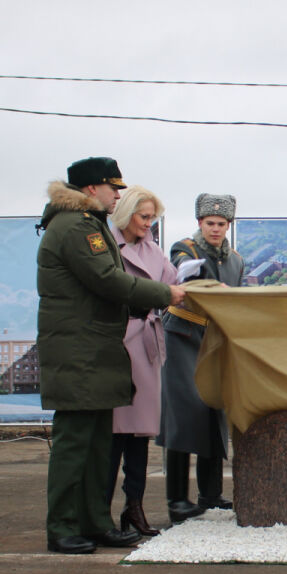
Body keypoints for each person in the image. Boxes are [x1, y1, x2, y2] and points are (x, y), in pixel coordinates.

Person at [36, 157, 188, 555]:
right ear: (91, 190)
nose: (117, 195)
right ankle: (63, 526)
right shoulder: (74, 227)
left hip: (96, 349)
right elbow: (106, 279)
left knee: (98, 445)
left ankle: (95, 522)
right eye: (112, 187)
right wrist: (163, 295)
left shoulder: (88, 225)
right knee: (74, 446)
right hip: (79, 350)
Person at [159, 193, 245, 521]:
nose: (215, 229)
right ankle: (176, 499)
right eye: (210, 223)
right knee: (182, 414)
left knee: (213, 411)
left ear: (229, 225)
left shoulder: (235, 259)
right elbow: (186, 276)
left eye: (221, 224)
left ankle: (210, 493)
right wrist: (214, 288)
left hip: (214, 338)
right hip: (182, 334)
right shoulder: (185, 249)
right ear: (199, 223)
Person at [106, 186, 177, 537]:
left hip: (147, 344)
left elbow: (176, 287)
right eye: (144, 216)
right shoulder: (106, 246)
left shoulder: (153, 250)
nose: (149, 224)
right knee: (113, 436)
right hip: (119, 344)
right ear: (126, 213)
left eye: (153, 218)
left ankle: (134, 508)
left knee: (140, 435)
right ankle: (101, 512)